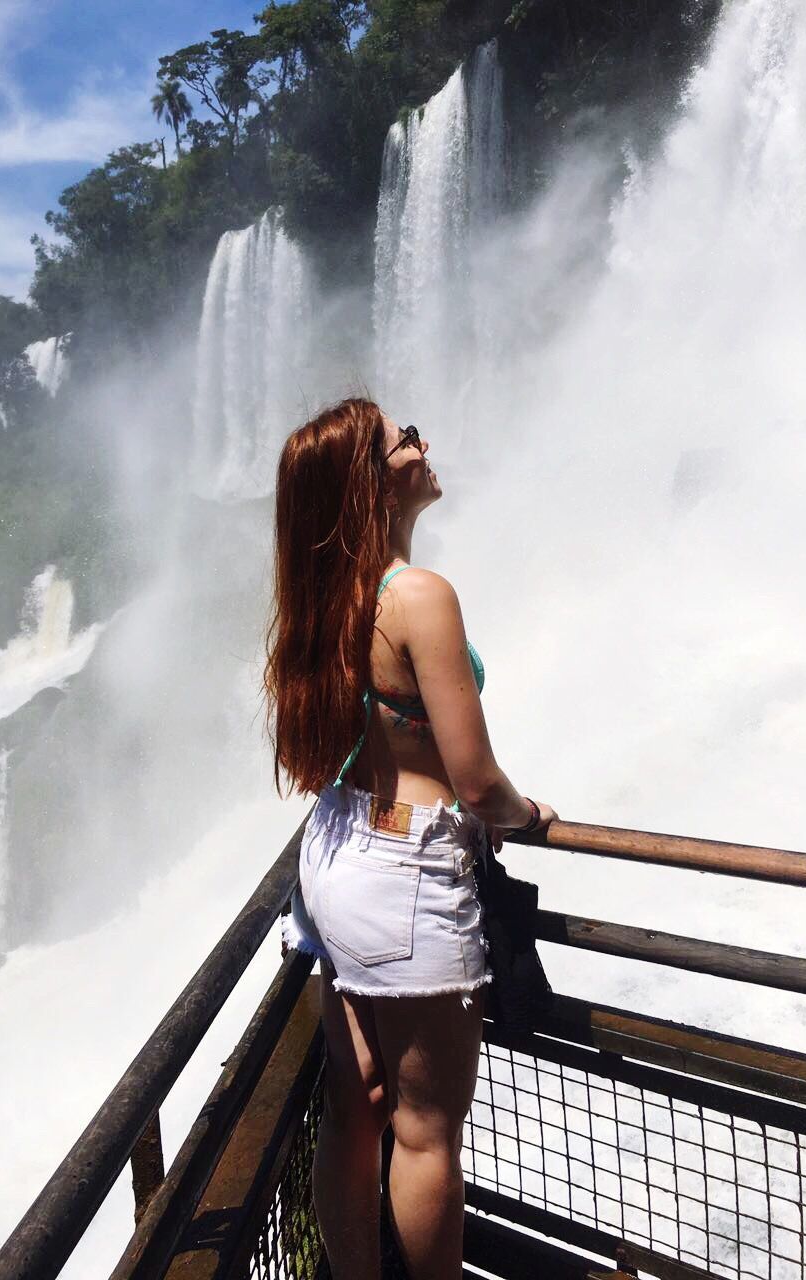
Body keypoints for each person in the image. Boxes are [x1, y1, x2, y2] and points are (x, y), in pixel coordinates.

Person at [263, 397, 557, 1280]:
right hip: (406, 873)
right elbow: (474, 780)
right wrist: (523, 813)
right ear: (369, 487)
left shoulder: (327, 600)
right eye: (402, 440)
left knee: (358, 1107)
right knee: (426, 1135)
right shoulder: (418, 598)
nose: (421, 446)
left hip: (339, 853)